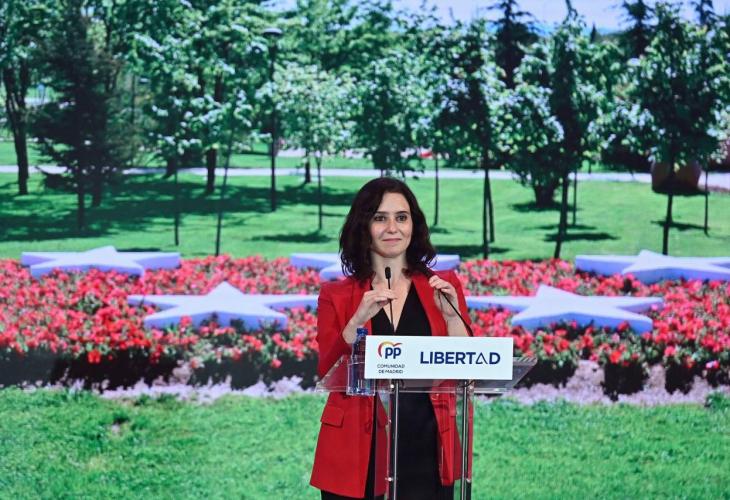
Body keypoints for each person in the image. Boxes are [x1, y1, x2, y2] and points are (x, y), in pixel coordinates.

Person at [310, 177, 471, 500]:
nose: (392, 228)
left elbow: (466, 366)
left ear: (414, 224)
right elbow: (328, 371)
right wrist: (357, 320)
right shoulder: (336, 295)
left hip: (427, 443)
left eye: (401, 217)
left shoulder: (443, 286)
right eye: (380, 218)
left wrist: (452, 317)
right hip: (357, 448)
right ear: (363, 226)